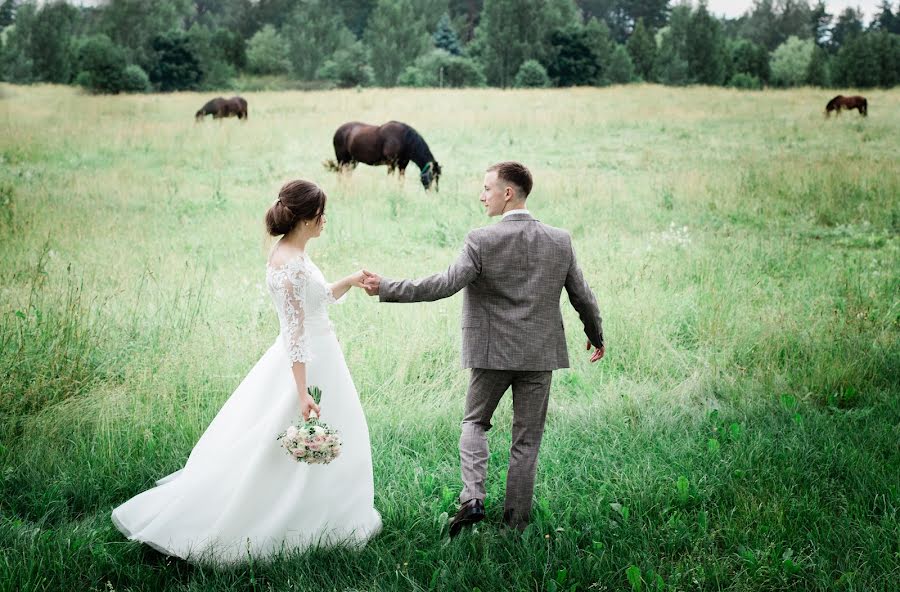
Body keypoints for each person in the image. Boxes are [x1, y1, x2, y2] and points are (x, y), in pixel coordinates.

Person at [111, 180, 381, 563]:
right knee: (290, 444)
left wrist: (351, 281)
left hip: (320, 359)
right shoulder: (289, 266)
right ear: (305, 218)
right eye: (321, 212)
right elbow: (295, 335)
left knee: (311, 445)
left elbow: (318, 299)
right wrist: (303, 392)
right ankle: (272, 521)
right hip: (306, 367)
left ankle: (320, 513)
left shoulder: (292, 253)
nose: (325, 219)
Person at [362, 161, 604, 536]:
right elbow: (582, 296)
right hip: (540, 355)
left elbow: (443, 284)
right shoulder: (560, 240)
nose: (481, 195)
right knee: (526, 442)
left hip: (491, 354)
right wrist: (596, 333)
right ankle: (515, 527)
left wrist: (387, 286)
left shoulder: (481, 240)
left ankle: (473, 498)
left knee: (475, 422)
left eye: (486, 188)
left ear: (508, 193)